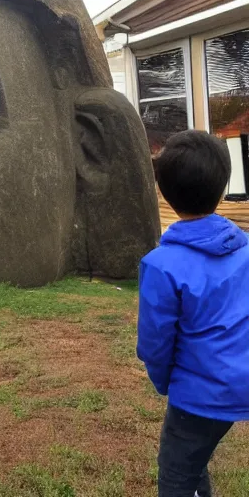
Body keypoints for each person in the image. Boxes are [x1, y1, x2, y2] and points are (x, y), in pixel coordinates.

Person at [137, 130, 249, 497]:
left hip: (198, 397)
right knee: (192, 463)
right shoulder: (245, 250)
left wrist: (164, 382)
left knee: (176, 475)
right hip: (241, 384)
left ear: (163, 190)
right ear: (222, 188)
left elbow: (155, 342)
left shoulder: (161, 265)